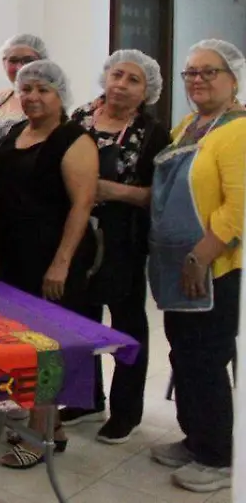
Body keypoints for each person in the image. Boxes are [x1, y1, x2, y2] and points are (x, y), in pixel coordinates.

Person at [147, 40, 245, 494]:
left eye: (210, 71)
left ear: (234, 79)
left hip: (215, 266)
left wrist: (201, 255)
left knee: (206, 359)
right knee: (183, 355)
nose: (198, 80)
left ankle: (218, 456)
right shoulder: (191, 124)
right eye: (190, 73)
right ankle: (194, 438)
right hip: (177, 264)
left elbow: (239, 205)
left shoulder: (239, 129)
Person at [0, 60, 99, 469]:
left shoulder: (75, 139)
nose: (33, 97)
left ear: (60, 95)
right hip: (16, 253)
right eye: (26, 89)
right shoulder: (16, 132)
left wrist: (61, 263)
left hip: (54, 255)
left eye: (43, 90)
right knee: (27, 341)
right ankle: (52, 427)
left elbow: (82, 205)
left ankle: (37, 438)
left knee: (48, 346)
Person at [64, 51, 169, 445]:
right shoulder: (79, 118)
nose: (121, 84)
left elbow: (159, 194)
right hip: (76, 233)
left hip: (123, 237)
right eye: (117, 75)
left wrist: (113, 191)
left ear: (147, 92)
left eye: (133, 80)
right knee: (78, 319)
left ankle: (126, 411)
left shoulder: (153, 133)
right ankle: (86, 398)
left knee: (126, 325)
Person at [0, 34, 48, 143]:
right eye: (13, 61)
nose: (19, 67)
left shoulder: (48, 101)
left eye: (28, 60)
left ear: (42, 63)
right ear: (4, 63)